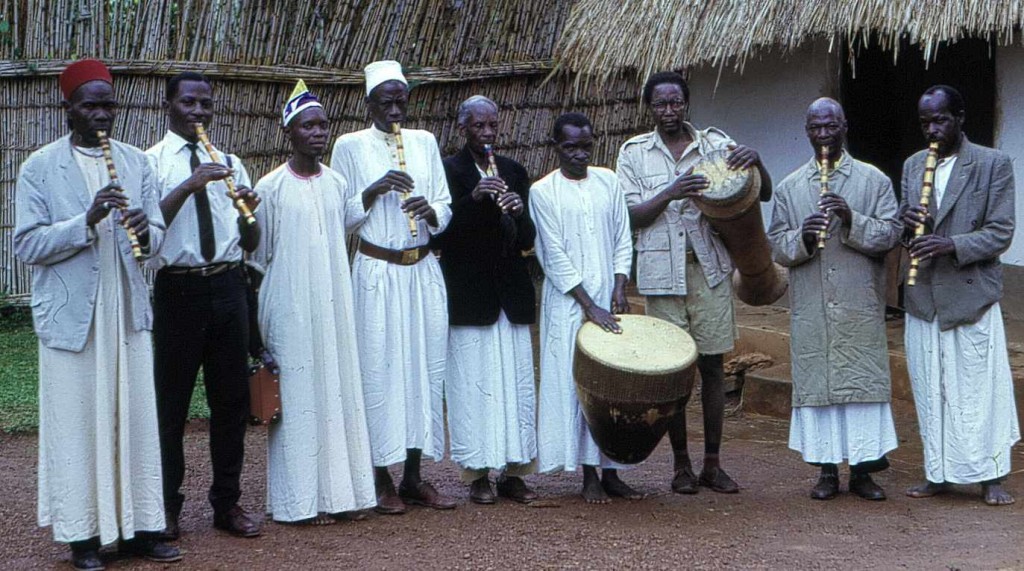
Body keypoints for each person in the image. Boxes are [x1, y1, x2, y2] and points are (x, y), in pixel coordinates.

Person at [14, 58, 180, 570]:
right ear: (68, 108)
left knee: (131, 418)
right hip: (74, 319)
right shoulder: (39, 166)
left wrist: (145, 231)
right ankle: (84, 538)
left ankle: (139, 528)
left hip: (126, 310)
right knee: (78, 424)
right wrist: (86, 220)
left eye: (108, 104)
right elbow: (27, 244)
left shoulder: (137, 163)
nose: (101, 114)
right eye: (90, 105)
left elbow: (156, 246)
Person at [615, 71, 772, 494]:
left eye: (676, 103)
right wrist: (672, 191)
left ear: (687, 105)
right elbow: (630, 216)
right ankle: (681, 465)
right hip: (661, 275)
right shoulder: (633, 154)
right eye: (661, 104)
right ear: (650, 108)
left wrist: (757, 162)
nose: (669, 111)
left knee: (713, 366)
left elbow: (761, 193)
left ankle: (713, 464)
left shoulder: (716, 145)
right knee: (673, 372)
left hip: (709, 269)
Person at [330, 60, 455, 514]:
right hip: (376, 273)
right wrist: (374, 189)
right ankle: (380, 477)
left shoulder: (424, 142)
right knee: (379, 371)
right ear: (369, 104)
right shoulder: (350, 146)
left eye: (402, 99)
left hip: (420, 270)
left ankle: (414, 476)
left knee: (423, 370)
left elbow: (445, 204)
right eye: (387, 101)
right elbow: (341, 214)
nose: (396, 108)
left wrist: (431, 210)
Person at [250, 80, 377, 524]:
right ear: (290, 132)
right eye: (308, 126)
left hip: (333, 303)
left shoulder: (338, 183)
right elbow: (258, 255)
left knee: (337, 389)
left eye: (323, 125)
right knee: (300, 396)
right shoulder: (270, 187)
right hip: (289, 305)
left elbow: (348, 224)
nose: (318, 133)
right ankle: (297, 503)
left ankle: (343, 495)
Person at [146, 72, 262, 539]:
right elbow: (148, 235)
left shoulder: (231, 161)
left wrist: (247, 210)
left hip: (230, 287)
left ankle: (227, 504)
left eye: (205, 104)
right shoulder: (150, 163)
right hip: (178, 290)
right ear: (169, 105)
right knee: (170, 405)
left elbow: (252, 240)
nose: (198, 112)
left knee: (231, 403)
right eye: (189, 102)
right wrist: (191, 184)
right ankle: (168, 505)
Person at [767, 98, 902, 500]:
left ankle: (863, 472)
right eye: (816, 128)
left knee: (861, 387)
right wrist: (804, 238)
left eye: (831, 127)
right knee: (820, 388)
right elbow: (777, 245)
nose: (823, 135)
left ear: (845, 127)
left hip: (857, 301)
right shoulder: (791, 187)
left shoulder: (873, 180)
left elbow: (891, 234)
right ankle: (826, 471)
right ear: (807, 131)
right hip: (813, 305)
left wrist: (851, 219)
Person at [901, 85, 1019, 506]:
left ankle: (991, 477)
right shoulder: (914, 166)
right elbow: (905, 230)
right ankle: (939, 472)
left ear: (960, 117)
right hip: (924, 296)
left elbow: (1001, 232)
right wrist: (905, 224)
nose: (932, 130)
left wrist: (951, 245)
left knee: (979, 390)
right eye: (925, 122)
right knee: (932, 387)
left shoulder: (993, 163)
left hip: (970, 297)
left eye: (940, 120)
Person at [531, 112, 642, 504]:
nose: (579, 154)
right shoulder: (543, 191)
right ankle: (589, 474)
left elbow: (621, 235)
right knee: (578, 385)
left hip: (608, 297)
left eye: (585, 146)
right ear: (555, 147)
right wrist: (589, 305)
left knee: (612, 384)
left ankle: (612, 471)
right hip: (569, 302)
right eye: (570, 147)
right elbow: (553, 254)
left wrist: (618, 284)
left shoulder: (608, 181)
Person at [433, 95, 538, 504]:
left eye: (493, 126)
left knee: (514, 385)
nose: (489, 134)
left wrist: (516, 211)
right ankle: (476, 473)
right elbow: (441, 236)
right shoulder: (448, 171)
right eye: (480, 127)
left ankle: (514, 472)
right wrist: (474, 199)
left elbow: (528, 240)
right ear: (463, 128)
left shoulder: (513, 171)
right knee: (472, 385)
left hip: (510, 294)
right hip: (470, 294)